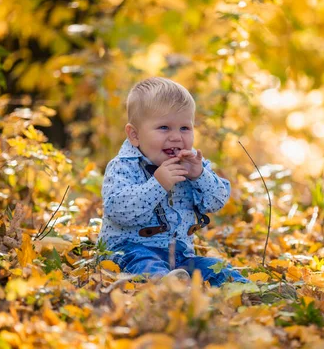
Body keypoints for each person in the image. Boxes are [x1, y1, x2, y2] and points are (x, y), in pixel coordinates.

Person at [98, 77, 248, 286]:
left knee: (217, 269)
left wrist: (199, 176)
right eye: (164, 128)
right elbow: (118, 211)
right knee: (145, 265)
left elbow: (217, 201)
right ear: (135, 135)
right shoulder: (123, 166)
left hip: (180, 256)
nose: (176, 137)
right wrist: (157, 185)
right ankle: (167, 288)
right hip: (129, 249)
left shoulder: (192, 163)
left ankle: (252, 292)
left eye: (185, 128)